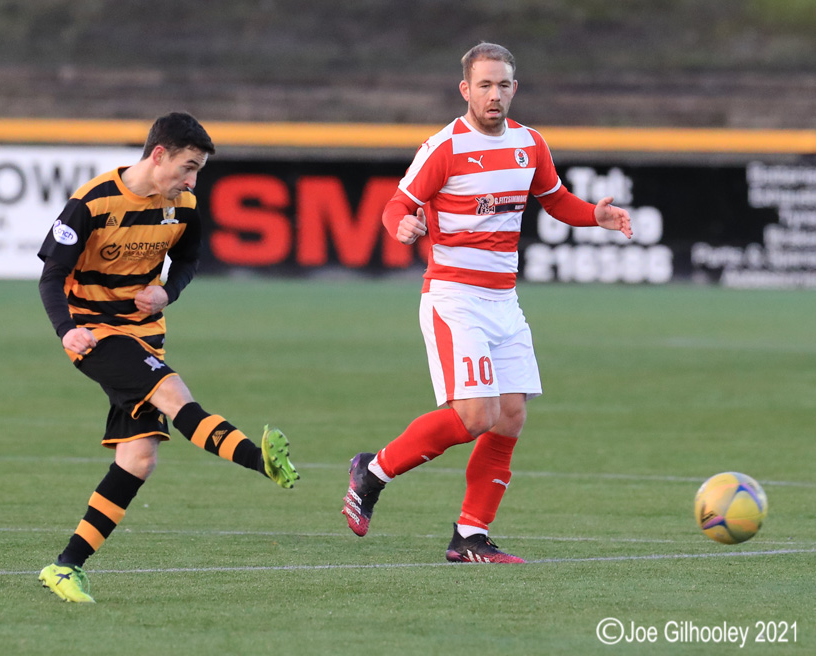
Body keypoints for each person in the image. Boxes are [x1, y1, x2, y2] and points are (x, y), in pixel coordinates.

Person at [342, 43, 632, 563]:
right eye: (484, 85)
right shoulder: (444, 148)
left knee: (510, 416)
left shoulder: (530, 143)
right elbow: (396, 205)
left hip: (504, 300)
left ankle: (470, 536)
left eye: (502, 85)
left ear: (514, 88)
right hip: (455, 299)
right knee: (476, 414)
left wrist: (596, 216)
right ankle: (373, 471)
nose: (494, 95)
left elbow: (555, 199)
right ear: (465, 90)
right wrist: (401, 225)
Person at [36, 112, 299, 602]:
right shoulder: (92, 203)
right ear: (159, 155)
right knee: (175, 394)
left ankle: (65, 566)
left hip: (145, 335)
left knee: (138, 458)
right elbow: (51, 277)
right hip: (96, 335)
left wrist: (167, 293)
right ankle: (257, 460)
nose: (192, 180)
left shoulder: (183, 205)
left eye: (197, 170)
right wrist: (66, 330)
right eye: (187, 167)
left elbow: (191, 259)